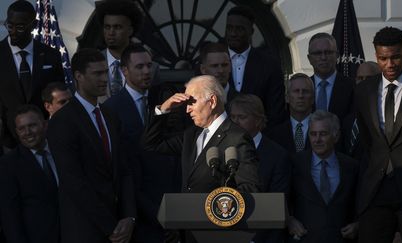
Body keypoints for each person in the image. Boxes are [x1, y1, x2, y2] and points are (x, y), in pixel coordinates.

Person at [47, 48, 136, 243]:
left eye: (105, 72)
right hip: (85, 229)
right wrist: (111, 226)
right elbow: (74, 181)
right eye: (97, 73)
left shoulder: (110, 116)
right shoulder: (62, 121)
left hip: (121, 229)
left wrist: (129, 216)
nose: (104, 78)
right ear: (78, 76)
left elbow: (124, 169)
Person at [355, 27, 402, 243]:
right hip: (376, 190)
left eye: (396, 57)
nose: (390, 64)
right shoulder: (363, 91)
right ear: (376, 56)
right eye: (383, 58)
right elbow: (368, 140)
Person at [104, 44, 180, 243]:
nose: (146, 71)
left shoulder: (165, 100)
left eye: (149, 65)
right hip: (136, 208)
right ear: (124, 71)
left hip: (171, 201)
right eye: (139, 67)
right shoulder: (111, 109)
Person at [142, 75, 259, 193]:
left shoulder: (237, 137)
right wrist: (163, 109)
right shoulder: (191, 134)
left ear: (212, 101)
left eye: (192, 102)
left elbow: (249, 188)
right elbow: (151, 144)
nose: (187, 110)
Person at [287, 110, 359, 243]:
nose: (317, 140)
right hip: (305, 238)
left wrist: (358, 225)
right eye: (313, 134)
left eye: (323, 134)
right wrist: (289, 220)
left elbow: (360, 203)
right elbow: (283, 198)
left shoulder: (352, 166)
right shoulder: (295, 163)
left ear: (336, 136)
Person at [0, 0, 64, 148]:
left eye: (20, 27)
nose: (13, 31)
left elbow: (58, 96)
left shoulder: (51, 55)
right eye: (10, 26)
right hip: (8, 143)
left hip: (46, 139)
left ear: (34, 25)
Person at [229, 94, 289, 242]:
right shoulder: (220, 150)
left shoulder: (277, 156)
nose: (235, 122)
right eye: (233, 117)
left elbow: (277, 203)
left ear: (258, 120)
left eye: (242, 117)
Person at [0, 105, 59, 243]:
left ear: (45, 125)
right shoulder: (8, 165)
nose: (27, 132)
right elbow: (10, 216)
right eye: (21, 128)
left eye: (32, 125)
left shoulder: (62, 151)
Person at [225, 6, 286, 127]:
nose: (233, 33)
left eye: (239, 29)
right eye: (229, 28)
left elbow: (275, 111)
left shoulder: (270, 65)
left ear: (251, 31)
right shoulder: (211, 62)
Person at [96, 0, 141, 98]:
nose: (111, 32)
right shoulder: (90, 64)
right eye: (107, 27)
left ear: (130, 30)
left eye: (117, 27)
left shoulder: (150, 68)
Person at [307, 32, 355, 123]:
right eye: (317, 53)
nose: (323, 57)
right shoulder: (303, 88)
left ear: (337, 55)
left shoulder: (352, 86)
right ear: (309, 58)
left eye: (328, 52)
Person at [267, 73, 314, 153]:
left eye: (305, 91)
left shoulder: (324, 129)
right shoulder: (274, 133)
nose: (300, 95)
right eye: (296, 91)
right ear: (287, 98)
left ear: (313, 98)